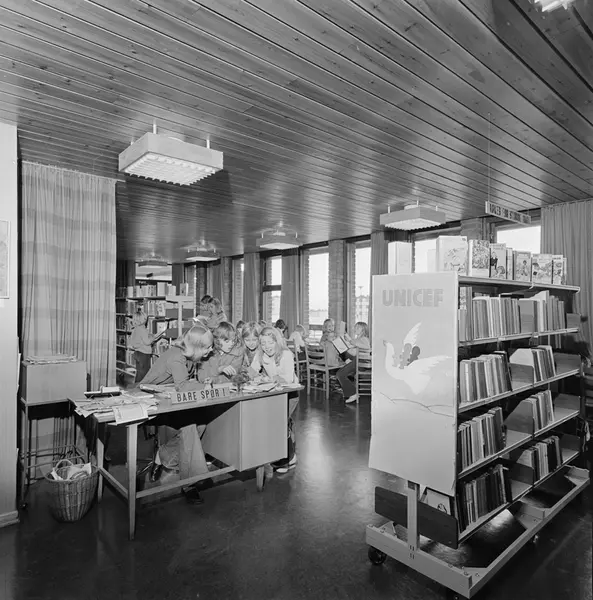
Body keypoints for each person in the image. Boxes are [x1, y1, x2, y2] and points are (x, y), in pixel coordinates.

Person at [140, 325, 214, 504]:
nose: (211, 350)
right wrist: (204, 386)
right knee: (189, 427)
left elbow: (185, 383)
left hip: (167, 399)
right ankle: (189, 482)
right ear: (196, 347)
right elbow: (182, 386)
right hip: (149, 402)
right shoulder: (176, 356)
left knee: (201, 424)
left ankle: (162, 456)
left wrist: (203, 383)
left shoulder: (188, 355)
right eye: (207, 347)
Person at [250, 326, 299, 474]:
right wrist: (253, 376)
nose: (267, 347)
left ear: (277, 341)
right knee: (276, 423)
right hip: (273, 394)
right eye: (263, 343)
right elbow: (251, 371)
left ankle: (286, 459)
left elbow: (287, 380)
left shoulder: (286, 354)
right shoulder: (260, 354)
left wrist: (268, 378)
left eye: (270, 342)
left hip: (290, 393)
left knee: (280, 423)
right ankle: (285, 455)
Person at [336, 322, 370, 404]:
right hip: (356, 360)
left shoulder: (364, 339)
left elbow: (367, 347)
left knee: (340, 374)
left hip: (360, 361)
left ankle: (353, 393)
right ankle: (351, 392)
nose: (355, 329)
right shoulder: (357, 339)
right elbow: (353, 350)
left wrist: (352, 343)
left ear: (363, 330)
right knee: (340, 374)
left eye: (358, 328)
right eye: (355, 327)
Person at [129, 310, 155, 383]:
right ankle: (140, 387)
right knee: (144, 374)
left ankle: (136, 387)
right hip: (144, 354)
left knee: (139, 373)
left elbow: (133, 342)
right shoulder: (143, 329)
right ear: (143, 320)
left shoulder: (135, 329)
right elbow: (147, 342)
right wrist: (153, 337)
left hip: (137, 353)